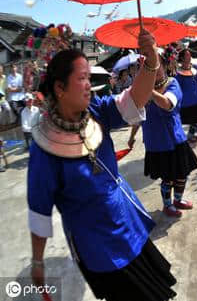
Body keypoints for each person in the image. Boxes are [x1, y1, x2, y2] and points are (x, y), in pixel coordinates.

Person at [27, 31, 177, 300]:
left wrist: (151, 60)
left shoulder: (96, 111)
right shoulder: (44, 148)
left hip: (127, 221)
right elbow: (39, 211)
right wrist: (38, 263)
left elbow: (135, 99)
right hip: (98, 244)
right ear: (60, 89)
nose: (89, 85)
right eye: (82, 79)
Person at [128, 52, 197, 218]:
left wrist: (149, 91)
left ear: (164, 65)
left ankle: (178, 200)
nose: (151, 68)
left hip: (176, 138)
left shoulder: (172, 83)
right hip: (156, 141)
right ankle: (167, 205)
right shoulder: (139, 92)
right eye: (145, 66)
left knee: (182, 173)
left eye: (155, 63)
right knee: (167, 178)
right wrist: (131, 137)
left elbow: (168, 104)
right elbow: (137, 117)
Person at [175, 49, 197, 143]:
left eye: (190, 55)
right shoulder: (177, 72)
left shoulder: (195, 67)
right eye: (187, 55)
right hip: (187, 101)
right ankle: (190, 135)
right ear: (182, 58)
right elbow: (178, 87)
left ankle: (191, 134)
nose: (189, 57)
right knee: (193, 119)